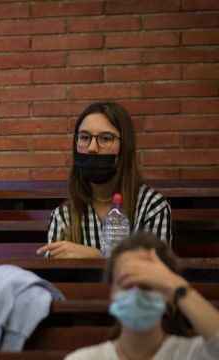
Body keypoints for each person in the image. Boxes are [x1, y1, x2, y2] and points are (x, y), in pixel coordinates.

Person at [37, 102, 171, 259]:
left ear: (124, 148)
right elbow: (55, 279)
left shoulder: (151, 207)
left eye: (106, 138)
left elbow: (156, 274)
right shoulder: (63, 216)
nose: (92, 147)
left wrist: (98, 256)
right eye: (85, 137)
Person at [66, 232, 219, 359]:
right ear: (112, 291)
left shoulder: (193, 355)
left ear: (168, 295)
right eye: (127, 282)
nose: (136, 293)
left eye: (148, 284)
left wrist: (176, 286)